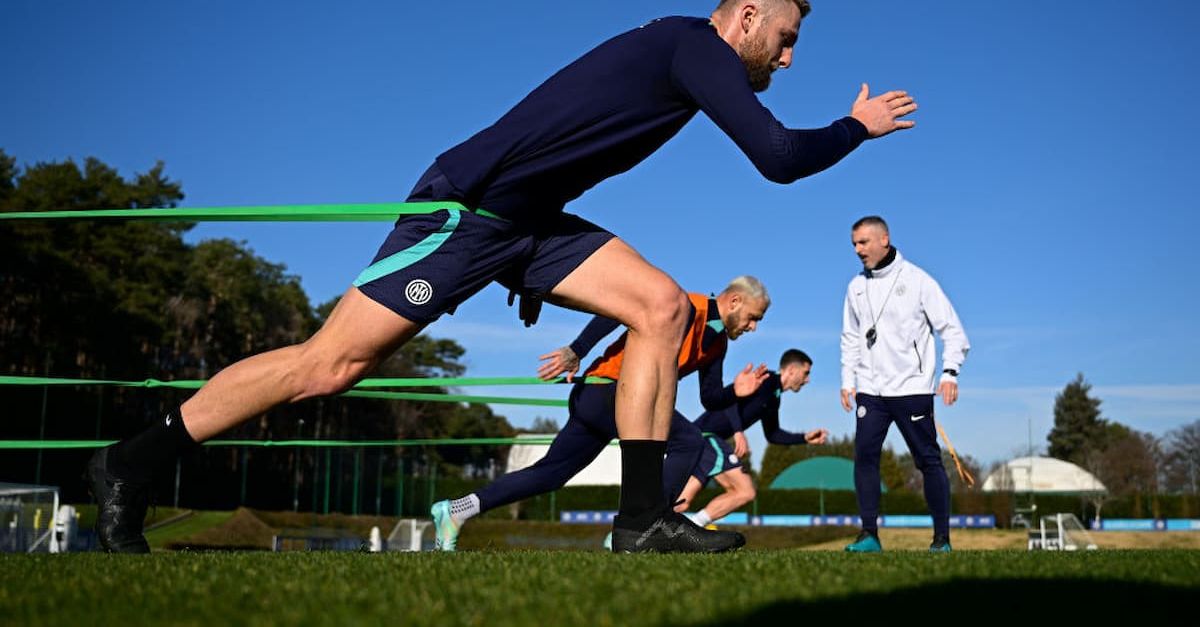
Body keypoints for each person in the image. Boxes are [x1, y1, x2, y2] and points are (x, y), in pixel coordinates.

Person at [87, 0, 917, 553]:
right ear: (743, 17)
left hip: (531, 223)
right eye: (787, 32)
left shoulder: (687, 57)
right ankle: (128, 460)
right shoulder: (695, 46)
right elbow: (776, 156)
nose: (790, 52)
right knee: (329, 367)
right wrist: (856, 126)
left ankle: (638, 522)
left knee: (662, 306)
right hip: (470, 210)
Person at [431, 277, 771, 552]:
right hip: (605, 390)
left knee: (551, 474)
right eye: (754, 318)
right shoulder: (686, 305)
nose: (753, 328)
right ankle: (647, 525)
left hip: (615, 402)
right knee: (688, 440)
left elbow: (711, 398)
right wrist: (576, 350)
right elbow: (617, 311)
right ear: (735, 301)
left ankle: (457, 510)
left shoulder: (717, 344)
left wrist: (736, 393)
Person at [839, 216, 969, 553]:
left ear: (885, 239)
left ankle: (942, 539)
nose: (857, 250)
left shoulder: (919, 281)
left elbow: (952, 331)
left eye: (863, 242)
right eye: (854, 243)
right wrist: (847, 380)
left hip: (912, 389)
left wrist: (949, 372)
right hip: (870, 389)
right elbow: (850, 337)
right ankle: (869, 535)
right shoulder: (855, 287)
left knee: (928, 460)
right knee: (864, 457)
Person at [675, 349, 830, 528]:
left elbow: (773, 434)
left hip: (703, 440)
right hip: (707, 436)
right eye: (806, 373)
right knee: (746, 491)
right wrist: (738, 431)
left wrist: (805, 438)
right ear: (791, 370)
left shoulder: (775, 397)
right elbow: (731, 398)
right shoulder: (767, 380)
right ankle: (692, 527)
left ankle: (656, 531)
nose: (807, 380)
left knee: (682, 501)